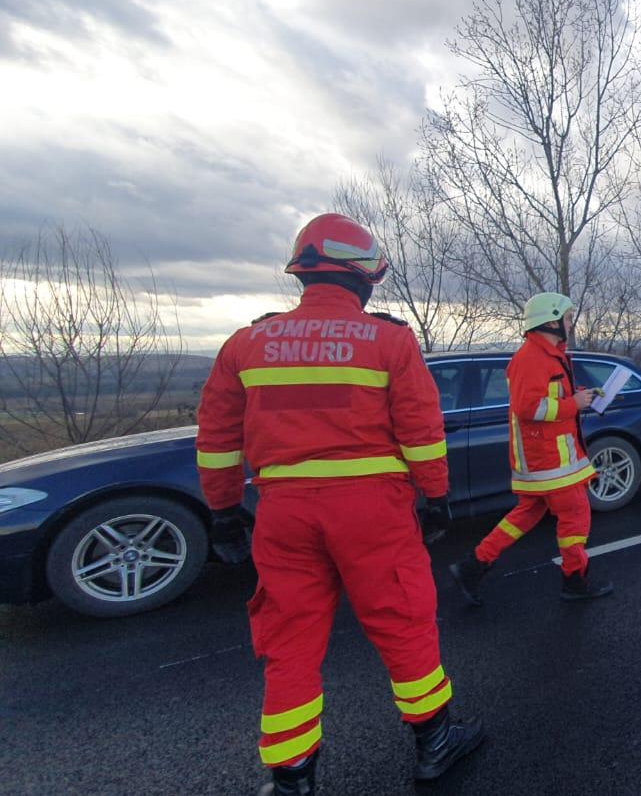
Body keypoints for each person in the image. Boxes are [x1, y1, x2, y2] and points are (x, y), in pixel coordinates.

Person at [196, 213, 483, 796]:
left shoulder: (247, 342)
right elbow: (422, 431)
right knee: (402, 621)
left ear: (304, 272)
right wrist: (435, 497)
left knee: (290, 641)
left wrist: (223, 511)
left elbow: (218, 438)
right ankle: (435, 742)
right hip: (371, 510)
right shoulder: (389, 340)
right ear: (364, 276)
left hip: (283, 511)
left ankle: (292, 777)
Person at [450, 292, 614, 606]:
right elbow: (529, 408)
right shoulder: (532, 358)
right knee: (576, 515)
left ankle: (472, 566)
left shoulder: (548, 355)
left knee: (526, 514)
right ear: (551, 321)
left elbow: (549, 395)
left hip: (548, 460)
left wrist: (582, 395)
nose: (569, 323)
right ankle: (574, 580)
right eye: (566, 318)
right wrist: (572, 404)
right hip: (549, 461)